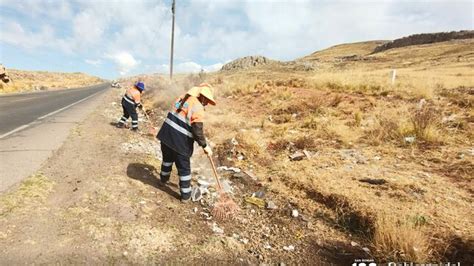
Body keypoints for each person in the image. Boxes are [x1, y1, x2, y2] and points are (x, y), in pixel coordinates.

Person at [157, 83, 215, 201]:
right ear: (202, 96)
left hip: (166, 136)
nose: (207, 103)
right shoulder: (198, 107)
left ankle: (163, 180)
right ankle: (185, 196)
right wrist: (205, 146)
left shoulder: (183, 97)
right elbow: (197, 130)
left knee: (167, 160)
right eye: (207, 100)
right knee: (184, 169)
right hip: (180, 142)